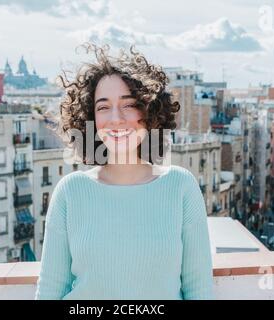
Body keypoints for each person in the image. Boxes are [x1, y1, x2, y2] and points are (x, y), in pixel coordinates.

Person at [35, 43, 214, 300]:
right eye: (103, 107)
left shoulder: (181, 187)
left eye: (129, 105)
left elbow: (200, 290)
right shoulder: (70, 191)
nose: (116, 118)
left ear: (150, 111)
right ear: (89, 119)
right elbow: (50, 291)